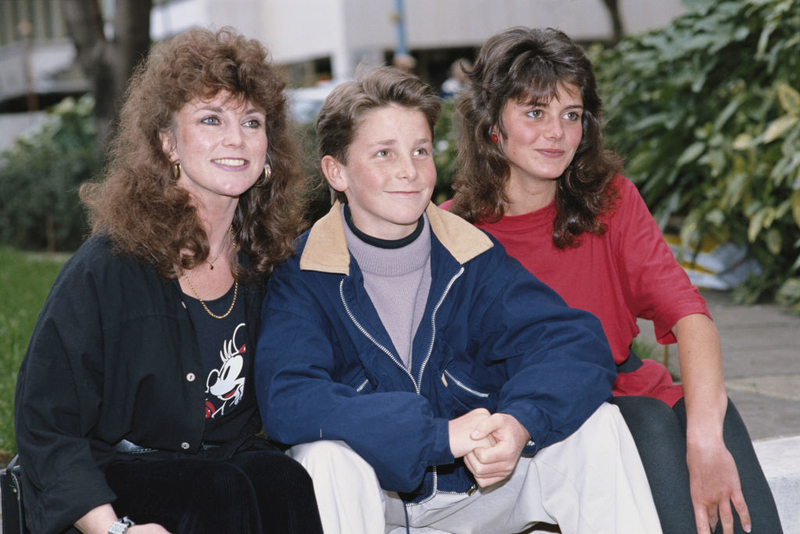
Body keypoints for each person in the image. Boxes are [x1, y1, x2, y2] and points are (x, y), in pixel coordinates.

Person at [254, 66, 662, 534]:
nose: (408, 170)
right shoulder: (303, 273)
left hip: (482, 488)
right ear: (337, 171)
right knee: (322, 458)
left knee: (597, 427)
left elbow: (574, 343)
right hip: (379, 500)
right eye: (384, 153)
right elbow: (289, 397)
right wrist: (433, 436)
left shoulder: (470, 254)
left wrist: (520, 423)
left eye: (420, 151)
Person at [446, 26, 783, 534]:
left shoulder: (612, 202)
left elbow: (689, 315)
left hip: (636, 392)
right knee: (643, 423)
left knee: (703, 418)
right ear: (493, 126)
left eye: (571, 115)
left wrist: (705, 439)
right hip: (540, 421)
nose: (557, 132)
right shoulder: (455, 232)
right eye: (535, 113)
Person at [13, 27, 323, 534]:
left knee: (281, 479)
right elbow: (46, 424)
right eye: (210, 119)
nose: (236, 139)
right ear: (167, 143)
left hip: (221, 460)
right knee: (217, 493)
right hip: (116, 475)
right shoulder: (109, 267)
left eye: (251, 121)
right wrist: (113, 529)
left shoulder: (266, 261)